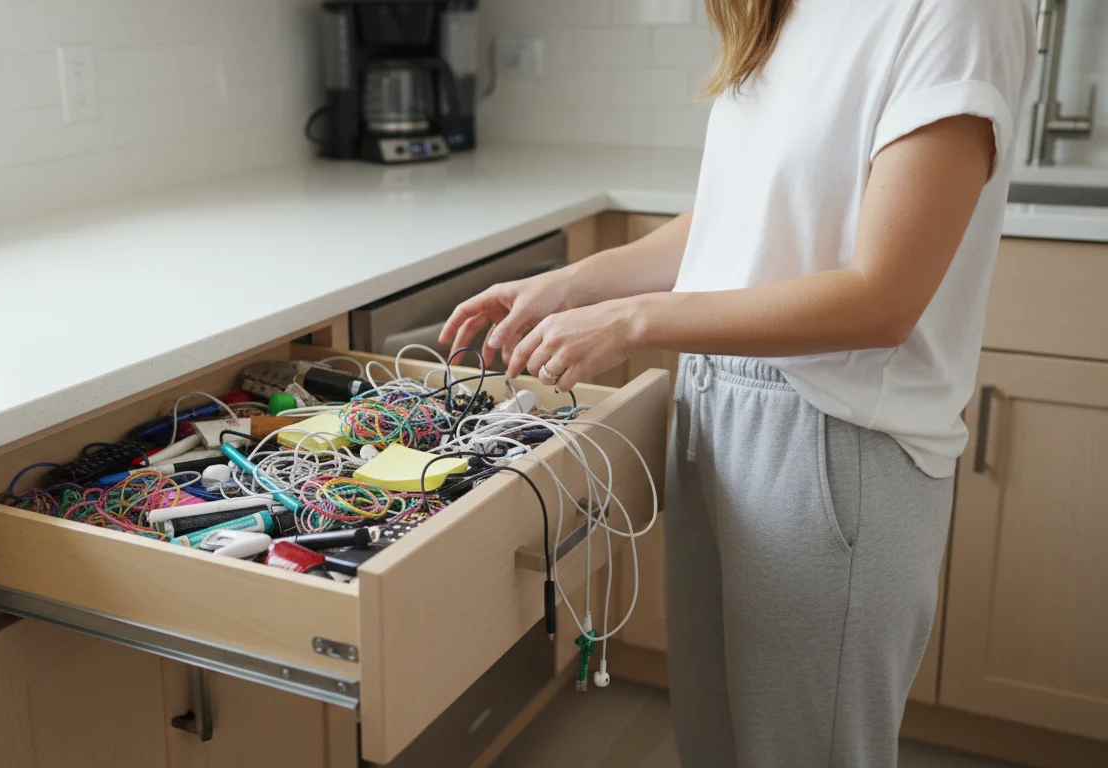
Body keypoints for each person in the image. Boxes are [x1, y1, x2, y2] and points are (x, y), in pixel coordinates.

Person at [439, 1, 1036, 765]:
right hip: (714, 407)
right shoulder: (784, 12)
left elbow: (884, 298)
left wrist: (633, 322)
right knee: (715, 746)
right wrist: (573, 283)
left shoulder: (955, 12)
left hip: (833, 442)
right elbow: (737, 216)